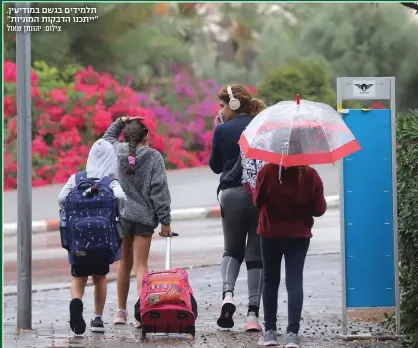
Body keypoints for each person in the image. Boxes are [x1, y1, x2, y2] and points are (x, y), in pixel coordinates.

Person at [254, 140, 327, 348]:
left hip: (270, 233)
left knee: (270, 280)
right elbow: (319, 209)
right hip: (299, 236)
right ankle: (292, 334)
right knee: (294, 282)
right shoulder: (311, 175)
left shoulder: (267, 171)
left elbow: (257, 201)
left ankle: (269, 332)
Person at [102, 116, 172, 327]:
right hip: (143, 219)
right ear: (146, 136)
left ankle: (120, 312)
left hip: (122, 217)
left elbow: (107, 138)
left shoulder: (117, 151)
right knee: (141, 265)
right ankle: (144, 311)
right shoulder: (153, 157)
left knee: (124, 264)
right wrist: (165, 220)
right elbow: (159, 190)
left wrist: (120, 120)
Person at [209, 84, 266, 332]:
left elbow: (214, 166)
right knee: (255, 254)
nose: (220, 110)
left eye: (222, 105)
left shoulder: (223, 129)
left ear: (232, 105)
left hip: (230, 195)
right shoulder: (260, 126)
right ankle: (253, 315)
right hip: (257, 194)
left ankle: (228, 295)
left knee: (231, 249)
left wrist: (219, 130)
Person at [58, 139, 127, 334]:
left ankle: (76, 303)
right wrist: (118, 212)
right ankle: (97, 319)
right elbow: (121, 197)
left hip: (78, 241)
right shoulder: (109, 182)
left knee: (78, 277)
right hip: (102, 242)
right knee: (100, 278)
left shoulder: (76, 178)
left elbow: (61, 198)